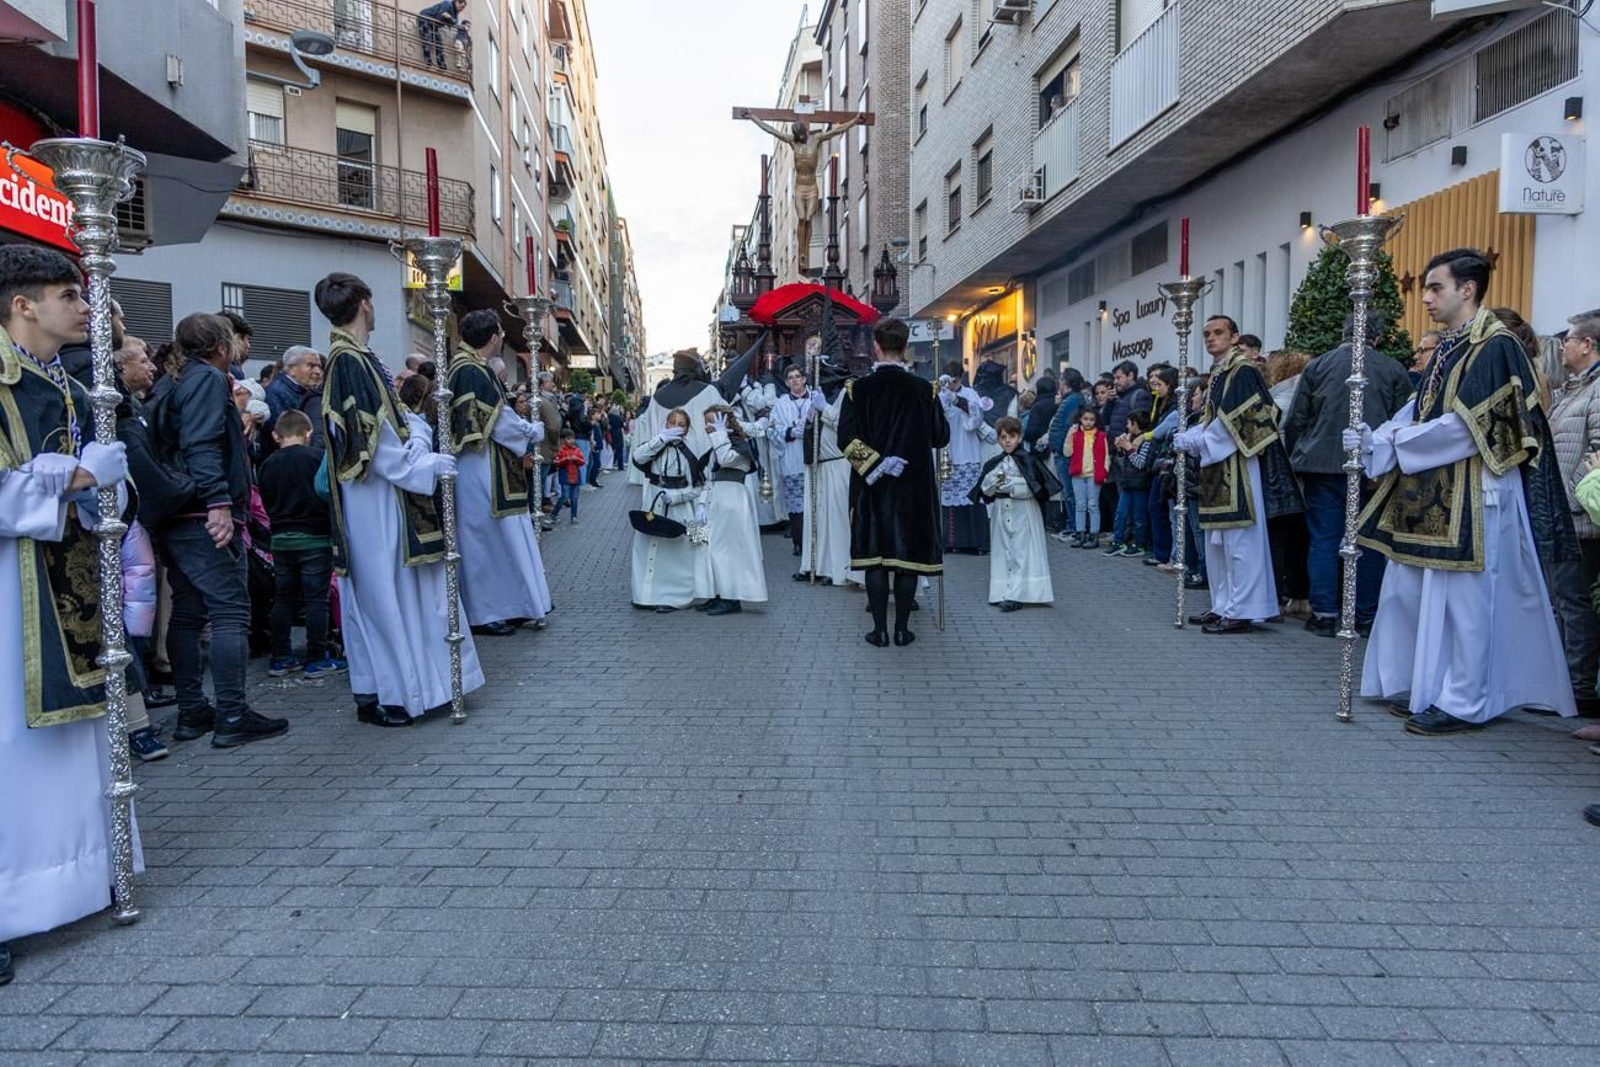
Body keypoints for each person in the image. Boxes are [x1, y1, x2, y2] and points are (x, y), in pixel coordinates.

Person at [1348, 248, 1577, 734]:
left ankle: (1464, 701)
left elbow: (1471, 426)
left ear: (1467, 289)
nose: (1426, 298)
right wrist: (1377, 438)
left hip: (1478, 491)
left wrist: (1401, 443)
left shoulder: (1496, 345)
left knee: (1468, 605)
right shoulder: (1451, 345)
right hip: (1431, 488)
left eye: (1436, 288)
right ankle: (1423, 685)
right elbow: (1419, 409)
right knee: (1412, 592)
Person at [0, 246, 138, 986]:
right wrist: (77, 476)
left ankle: (87, 874)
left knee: (81, 738)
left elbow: (105, 484)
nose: (87, 309)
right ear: (23, 305)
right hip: (8, 591)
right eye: (67, 294)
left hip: (75, 581)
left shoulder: (78, 386)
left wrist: (105, 487)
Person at [316, 272, 484, 727]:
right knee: (385, 595)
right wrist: (423, 466)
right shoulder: (348, 361)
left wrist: (416, 439)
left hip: (380, 495)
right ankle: (395, 693)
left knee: (382, 594)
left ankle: (381, 687)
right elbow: (372, 442)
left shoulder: (355, 358)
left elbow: (388, 426)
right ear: (365, 304)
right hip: (376, 500)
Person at [147, 313, 287, 746]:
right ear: (222, 346)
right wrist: (219, 503)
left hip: (180, 513)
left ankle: (193, 710)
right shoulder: (207, 379)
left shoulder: (174, 381)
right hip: (203, 512)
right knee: (230, 611)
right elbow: (202, 441)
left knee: (189, 611)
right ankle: (230, 712)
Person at [1282, 310, 1414, 638]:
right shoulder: (1393, 369)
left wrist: (1298, 458)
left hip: (1322, 465)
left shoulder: (1318, 365)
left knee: (1324, 540)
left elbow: (1297, 419)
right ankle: (1365, 614)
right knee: (1368, 541)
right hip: (1374, 467)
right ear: (1378, 337)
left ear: (1343, 331)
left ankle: (1325, 612)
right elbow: (1402, 421)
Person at [1172, 315, 1302, 635]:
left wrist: (1202, 439)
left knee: (1240, 543)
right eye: (1206, 334)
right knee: (1218, 542)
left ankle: (1244, 609)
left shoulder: (1242, 371)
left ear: (1234, 337)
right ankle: (1223, 603)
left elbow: (1251, 417)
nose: (1211, 338)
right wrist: (1196, 434)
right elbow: (1215, 417)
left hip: (1240, 466)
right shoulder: (1219, 373)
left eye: (1218, 333)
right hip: (1217, 466)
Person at [839, 318, 950, 647]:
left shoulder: (857, 389)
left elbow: (845, 438)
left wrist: (875, 463)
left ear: (875, 347)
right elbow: (941, 437)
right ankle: (902, 628)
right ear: (904, 349)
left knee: (876, 556)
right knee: (906, 559)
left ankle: (879, 630)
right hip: (913, 487)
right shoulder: (923, 389)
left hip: (871, 486)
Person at [448, 309, 550, 637]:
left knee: (497, 540)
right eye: (502, 335)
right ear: (494, 338)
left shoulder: (469, 368)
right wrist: (531, 432)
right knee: (484, 542)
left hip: (485, 465)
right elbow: (499, 422)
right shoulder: (471, 370)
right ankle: (485, 612)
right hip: (480, 467)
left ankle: (511, 604)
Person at [258, 409, 343, 679]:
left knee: (283, 598)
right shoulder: (316, 458)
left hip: (281, 540)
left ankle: (280, 656)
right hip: (315, 538)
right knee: (316, 600)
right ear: (309, 434)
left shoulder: (267, 464)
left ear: (275, 435)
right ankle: (317, 657)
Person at [1548, 312, 1600, 716]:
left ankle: (1577, 689)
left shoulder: (1596, 391)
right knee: (1562, 600)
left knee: (1572, 602)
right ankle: (1563, 684)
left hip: (1580, 518)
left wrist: (1578, 497)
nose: (1562, 344)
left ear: (1587, 345)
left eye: (1568, 339)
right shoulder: (1572, 389)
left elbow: (1597, 453)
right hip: (1563, 513)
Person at [971, 415, 1058, 611]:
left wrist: (1014, 486)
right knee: (1003, 552)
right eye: (1003, 437)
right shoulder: (995, 462)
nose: (1007, 441)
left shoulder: (1028, 460)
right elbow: (985, 491)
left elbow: (1036, 489)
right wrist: (991, 483)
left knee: (1021, 552)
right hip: (1001, 512)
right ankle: (1001, 591)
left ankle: (1017, 594)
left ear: (1019, 437)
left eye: (1011, 436)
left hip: (1024, 512)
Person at [630, 407, 710, 613]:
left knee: (691, 549)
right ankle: (645, 595)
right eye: (671, 423)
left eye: (680, 424)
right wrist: (660, 439)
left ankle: (680, 597)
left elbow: (700, 487)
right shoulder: (655, 446)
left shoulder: (690, 453)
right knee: (648, 547)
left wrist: (676, 497)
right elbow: (638, 457)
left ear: (687, 429)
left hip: (684, 510)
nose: (675, 427)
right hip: (653, 506)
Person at [696, 405, 767, 616]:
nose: (708, 426)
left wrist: (719, 435)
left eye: (712, 421)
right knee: (707, 548)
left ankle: (731, 597)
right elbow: (709, 476)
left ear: (724, 422)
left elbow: (725, 459)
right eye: (707, 422)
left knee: (728, 550)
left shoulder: (739, 445)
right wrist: (701, 503)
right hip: (715, 499)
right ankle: (716, 592)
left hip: (732, 500)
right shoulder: (716, 444)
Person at [797, 358, 854, 586]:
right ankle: (817, 565)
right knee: (819, 517)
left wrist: (824, 409)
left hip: (838, 464)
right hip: (818, 464)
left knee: (837, 520)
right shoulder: (820, 396)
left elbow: (847, 424)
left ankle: (839, 568)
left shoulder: (845, 396)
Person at [939, 361, 990, 554]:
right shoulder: (940, 394)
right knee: (949, 499)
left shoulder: (970, 394)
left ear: (960, 378)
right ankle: (951, 541)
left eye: (954, 381)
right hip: (947, 452)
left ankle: (975, 542)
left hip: (967, 451)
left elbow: (976, 420)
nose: (951, 384)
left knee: (971, 498)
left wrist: (957, 400)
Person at [771, 362, 816, 557]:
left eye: (798, 376)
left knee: (814, 502)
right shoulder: (781, 404)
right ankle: (798, 542)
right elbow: (772, 429)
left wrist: (808, 431)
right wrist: (790, 431)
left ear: (804, 379)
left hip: (813, 458)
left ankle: (814, 543)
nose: (795, 380)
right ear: (787, 383)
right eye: (791, 378)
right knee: (796, 505)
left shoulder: (815, 398)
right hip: (791, 458)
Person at [1047, 370, 1087, 541]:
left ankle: (1075, 527)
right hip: (1062, 451)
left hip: (1065, 452)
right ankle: (1073, 526)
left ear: (1065, 382)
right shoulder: (1072, 400)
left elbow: (1066, 426)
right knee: (1069, 491)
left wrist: (1061, 447)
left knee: (1070, 492)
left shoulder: (1072, 400)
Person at [1066, 406, 1109, 548]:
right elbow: (1067, 452)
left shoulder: (1101, 436)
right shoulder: (1075, 434)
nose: (1088, 422)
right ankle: (1080, 534)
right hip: (1078, 475)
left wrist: (1105, 472)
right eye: (1085, 419)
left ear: (1096, 421)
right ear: (1080, 419)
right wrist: (1069, 435)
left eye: (1091, 419)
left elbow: (1106, 457)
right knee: (1080, 505)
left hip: (1094, 475)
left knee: (1093, 505)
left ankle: (1094, 535)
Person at [418, 0, 467, 69]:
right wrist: (450, 19)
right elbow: (440, 17)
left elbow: (454, 24)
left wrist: (449, 17)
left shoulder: (455, 12)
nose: (462, 9)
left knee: (439, 44)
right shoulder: (447, 4)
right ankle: (428, 62)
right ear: (457, 2)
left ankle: (441, 64)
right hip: (425, 18)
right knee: (427, 39)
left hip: (433, 24)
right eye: (462, 7)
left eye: (463, 8)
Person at [551, 430, 585, 521]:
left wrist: (576, 459)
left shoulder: (577, 450)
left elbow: (582, 462)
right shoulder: (561, 450)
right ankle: (554, 513)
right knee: (565, 496)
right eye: (568, 439)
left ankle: (574, 516)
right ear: (564, 440)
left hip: (576, 477)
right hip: (565, 476)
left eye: (572, 439)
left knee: (574, 497)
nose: (571, 441)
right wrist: (566, 459)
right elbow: (557, 463)